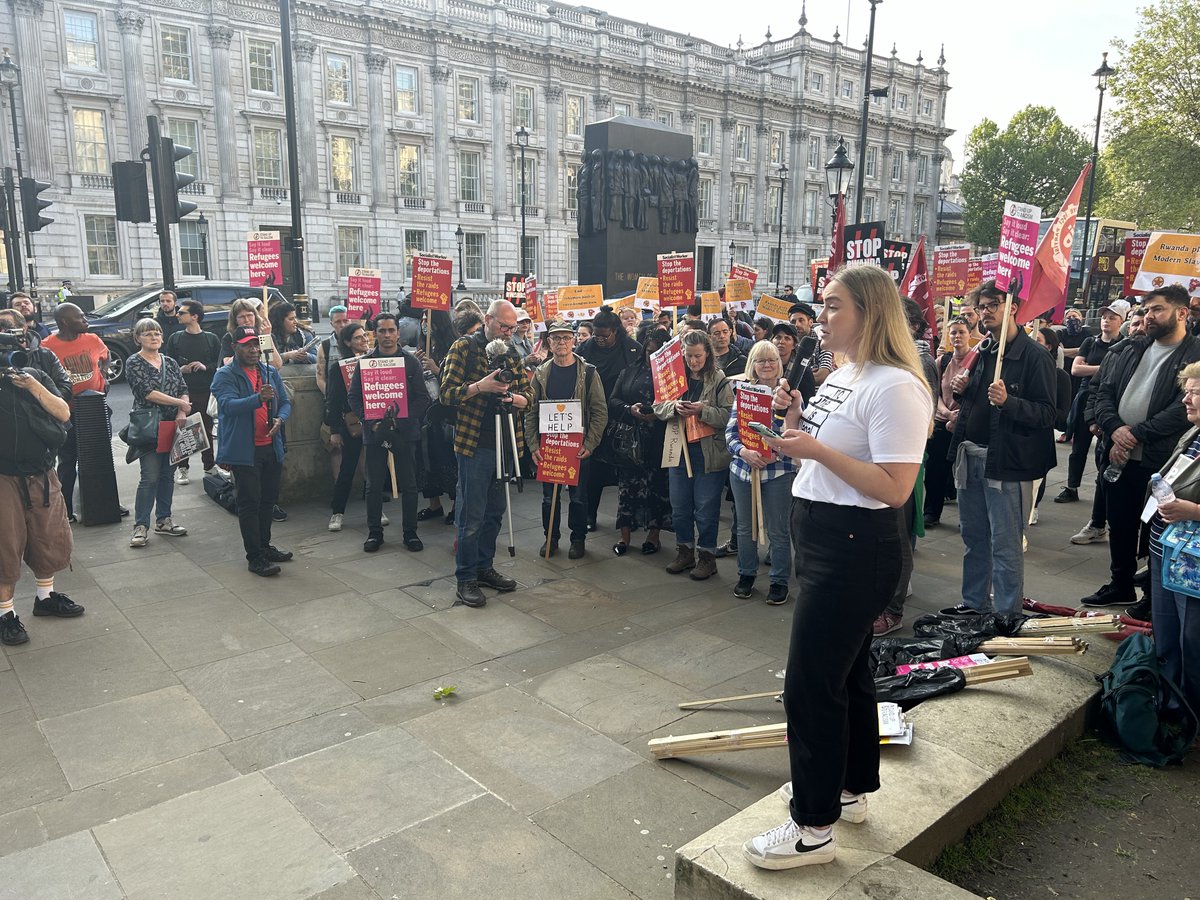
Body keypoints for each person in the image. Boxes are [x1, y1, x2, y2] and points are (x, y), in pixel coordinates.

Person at [743, 265, 932, 871]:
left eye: (833, 306)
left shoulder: (896, 386)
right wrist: (790, 428)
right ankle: (849, 789)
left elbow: (895, 487)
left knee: (809, 684)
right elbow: (820, 455)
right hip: (822, 535)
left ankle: (811, 828)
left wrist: (815, 447)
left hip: (856, 546)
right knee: (847, 675)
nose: (821, 317)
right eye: (822, 305)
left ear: (869, 312)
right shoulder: (844, 374)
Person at [944, 280, 1057, 617]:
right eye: (982, 306)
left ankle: (1008, 613)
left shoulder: (1034, 355)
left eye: (993, 305)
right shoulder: (983, 352)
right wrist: (964, 390)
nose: (986, 312)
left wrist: (1010, 402)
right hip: (972, 457)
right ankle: (975, 602)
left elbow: (1048, 414)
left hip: (1007, 463)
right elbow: (977, 405)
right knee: (974, 537)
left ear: (1014, 308)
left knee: (1006, 544)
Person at [1084, 285, 1200, 608]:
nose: (1149, 317)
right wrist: (1116, 430)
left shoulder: (1195, 356)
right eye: (1147, 311)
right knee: (1119, 524)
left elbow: (1181, 411)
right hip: (1119, 456)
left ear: (1181, 314)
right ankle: (1119, 583)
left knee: (1155, 530)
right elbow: (1104, 391)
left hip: (1159, 460)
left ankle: (1151, 597)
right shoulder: (1129, 348)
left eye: (1157, 310)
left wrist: (1134, 433)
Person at [439, 300, 533, 608]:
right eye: (503, 326)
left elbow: (529, 396)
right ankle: (465, 577)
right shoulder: (463, 348)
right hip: (474, 443)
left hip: (505, 442)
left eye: (511, 328)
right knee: (472, 515)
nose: (507, 332)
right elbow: (447, 395)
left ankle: (484, 567)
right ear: (488, 320)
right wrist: (480, 387)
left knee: (494, 513)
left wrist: (514, 397)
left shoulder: (511, 352)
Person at [0, 355, 84, 645]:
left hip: (41, 472)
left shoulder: (33, 375)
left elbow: (63, 413)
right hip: (3, 477)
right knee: (5, 545)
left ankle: (45, 597)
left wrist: (32, 385)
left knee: (49, 537)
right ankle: (5, 614)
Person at [211, 325, 293, 576]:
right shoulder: (225, 375)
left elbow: (286, 402)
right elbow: (227, 406)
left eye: (256, 344)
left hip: (271, 446)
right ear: (235, 346)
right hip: (244, 451)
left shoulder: (269, 372)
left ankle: (265, 546)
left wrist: (280, 419)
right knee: (249, 503)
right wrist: (257, 399)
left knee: (268, 500)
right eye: (247, 345)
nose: (254, 350)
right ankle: (254, 556)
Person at [654, 330, 734, 580]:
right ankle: (685, 551)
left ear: (707, 354)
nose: (693, 361)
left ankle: (707, 557)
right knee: (680, 506)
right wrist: (673, 407)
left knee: (706, 508)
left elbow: (729, 415)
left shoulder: (719, 378)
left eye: (698, 356)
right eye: (688, 356)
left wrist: (702, 410)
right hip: (679, 449)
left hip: (708, 451)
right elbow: (658, 405)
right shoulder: (675, 377)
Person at [349, 312, 431, 553]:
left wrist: (400, 419)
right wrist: (370, 420)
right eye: (382, 331)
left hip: (405, 432)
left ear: (398, 332)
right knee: (373, 485)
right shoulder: (365, 363)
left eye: (391, 330)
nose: (387, 335)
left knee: (410, 484)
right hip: (374, 432)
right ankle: (375, 533)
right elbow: (354, 396)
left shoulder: (410, 362)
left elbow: (422, 398)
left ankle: (410, 532)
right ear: (375, 333)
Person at [525, 320, 608, 558]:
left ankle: (578, 539)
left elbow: (600, 411)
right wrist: (533, 445)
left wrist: (590, 444)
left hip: (577, 447)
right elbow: (531, 411)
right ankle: (550, 538)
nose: (561, 342)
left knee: (579, 498)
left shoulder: (589, 372)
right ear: (549, 343)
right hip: (549, 447)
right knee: (549, 499)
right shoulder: (541, 373)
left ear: (574, 341)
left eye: (566, 338)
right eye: (556, 338)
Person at [1146, 361, 1200, 721]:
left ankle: (1191, 715)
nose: (1186, 399)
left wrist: (1193, 511)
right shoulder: (1193, 432)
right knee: (1167, 632)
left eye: (1196, 392)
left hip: (1192, 561)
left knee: (1193, 640)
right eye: (1187, 390)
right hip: (1167, 548)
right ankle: (1169, 702)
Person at [725, 340, 796, 604]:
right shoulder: (743, 393)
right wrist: (745, 452)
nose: (767, 365)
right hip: (743, 470)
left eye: (772, 360)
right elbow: (731, 433)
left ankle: (779, 580)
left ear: (780, 363)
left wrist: (772, 453)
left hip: (778, 472)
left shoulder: (789, 394)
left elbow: (794, 432)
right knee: (745, 528)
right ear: (752, 365)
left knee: (778, 529)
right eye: (761, 360)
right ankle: (746, 574)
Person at [124, 318, 190, 548]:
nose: (154, 337)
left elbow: (183, 388)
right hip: (150, 426)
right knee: (149, 476)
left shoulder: (170, 362)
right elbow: (147, 393)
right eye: (148, 333)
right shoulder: (134, 362)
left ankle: (164, 520)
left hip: (172, 425)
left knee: (166, 475)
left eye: (157, 333)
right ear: (138, 338)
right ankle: (141, 526)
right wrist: (180, 404)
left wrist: (183, 409)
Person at [42, 303, 110, 522]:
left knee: (98, 459)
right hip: (67, 413)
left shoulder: (92, 340)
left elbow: (105, 356)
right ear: (65, 322)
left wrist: (104, 374)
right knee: (68, 461)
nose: (85, 320)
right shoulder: (47, 346)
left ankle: (101, 504)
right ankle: (66, 510)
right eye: (80, 317)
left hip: (95, 409)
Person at [576, 305, 642, 531]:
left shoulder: (632, 349)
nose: (599, 340)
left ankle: (628, 519)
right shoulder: (584, 349)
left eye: (604, 336)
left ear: (616, 331)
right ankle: (589, 515)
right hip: (593, 416)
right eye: (596, 335)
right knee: (592, 471)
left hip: (622, 416)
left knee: (626, 470)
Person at [609, 324, 671, 556]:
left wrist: (660, 412)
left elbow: (677, 405)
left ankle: (653, 536)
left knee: (656, 488)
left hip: (658, 439)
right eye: (648, 351)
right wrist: (629, 408)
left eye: (657, 352)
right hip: (631, 440)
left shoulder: (672, 375)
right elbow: (613, 400)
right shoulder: (629, 371)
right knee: (627, 489)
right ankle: (624, 537)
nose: (652, 356)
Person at [1056, 301, 1128, 503]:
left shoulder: (1124, 346)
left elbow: (1120, 374)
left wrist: (1092, 367)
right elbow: (1076, 370)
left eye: (1112, 317)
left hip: (1110, 401)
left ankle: (1103, 487)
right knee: (1079, 446)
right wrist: (1105, 368)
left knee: (1104, 448)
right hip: (1086, 396)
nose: (1106, 321)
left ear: (1121, 321)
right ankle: (1072, 487)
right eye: (1104, 317)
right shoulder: (1090, 342)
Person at [165, 299, 222, 485]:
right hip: (183, 392)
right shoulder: (176, 338)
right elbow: (168, 364)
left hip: (205, 390)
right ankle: (182, 468)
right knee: (182, 429)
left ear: (195, 316)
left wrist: (204, 366)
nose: (178, 315)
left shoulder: (211, 338)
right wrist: (181, 369)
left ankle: (209, 466)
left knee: (205, 428)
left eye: (182, 313)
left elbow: (218, 364)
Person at [924, 317, 971, 528]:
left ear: (970, 334)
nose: (957, 336)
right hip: (943, 421)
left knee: (966, 474)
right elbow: (934, 392)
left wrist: (959, 416)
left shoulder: (977, 361)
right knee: (935, 470)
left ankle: (968, 517)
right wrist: (946, 413)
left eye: (961, 332)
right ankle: (931, 512)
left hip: (966, 424)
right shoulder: (942, 361)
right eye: (953, 333)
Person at [416, 309, 461, 525]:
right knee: (427, 461)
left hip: (446, 416)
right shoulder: (423, 346)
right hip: (426, 415)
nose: (424, 323)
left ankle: (456, 506)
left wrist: (437, 369)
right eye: (422, 319)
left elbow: (458, 385)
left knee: (448, 461)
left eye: (428, 319)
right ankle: (434, 504)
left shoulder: (454, 347)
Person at [325, 322, 369, 532]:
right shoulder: (339, 368)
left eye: (365, 336)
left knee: (374, 469)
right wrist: (334, 430)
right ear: (347, 342)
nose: (364, 340)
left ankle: (375, 508)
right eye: (358, 337)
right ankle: (337, 512)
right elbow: (332, 400)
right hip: (352, 423)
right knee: (348, 468)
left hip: (374, 421)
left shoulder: (374, 361)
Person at [0, 308, 71, 399]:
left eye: (6, 326)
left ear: (23, 328)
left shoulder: (45, 355)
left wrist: (43, 400)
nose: (1, 332)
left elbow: (65, 389)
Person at [789, 302, 834, 384]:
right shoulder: (787, 345)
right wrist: (809, 373)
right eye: (793, 321)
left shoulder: (823, 346)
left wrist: (795, 375)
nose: (797, 324)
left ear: (810, 322)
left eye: (801, 320)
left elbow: (821, 377)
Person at [220, 299, 271, 365]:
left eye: (249, 315)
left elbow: (275, 364)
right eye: (242, 317)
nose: (247, 320)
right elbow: (227, 363)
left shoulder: (264, 334)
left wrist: (265, 340)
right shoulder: (229, 337)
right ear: (235, 320)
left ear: (255, 316)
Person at [315, 305, 351, 396]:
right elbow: (320, 378)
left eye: (345, 321)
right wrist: (331, 398)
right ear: (332, 324)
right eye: (338, 322)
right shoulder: (325, 346)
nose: (342, 325)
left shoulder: (361, 342)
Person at [269, 301, 317, 365]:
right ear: (280, 321)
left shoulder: (304, 335)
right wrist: (286, 356)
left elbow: (317, 358)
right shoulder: (269, 337)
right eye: (291, 319)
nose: (295, 322)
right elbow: (266, 361)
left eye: (295, 318)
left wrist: (306, 356)